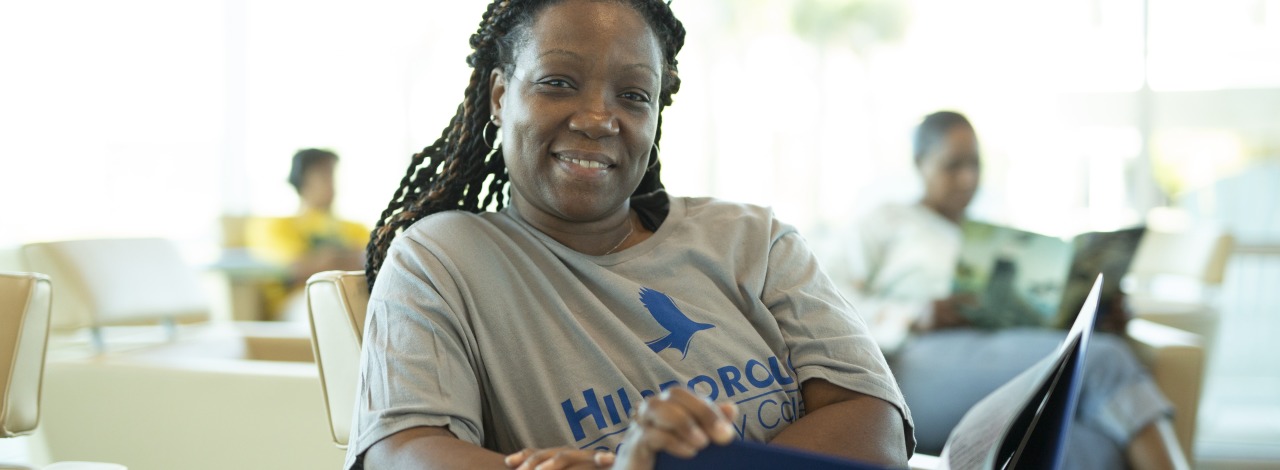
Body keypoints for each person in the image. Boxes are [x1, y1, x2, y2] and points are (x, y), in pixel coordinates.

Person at [349, 1, 915, 469]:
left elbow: (875, 427)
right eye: (558, 82)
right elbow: (403, 452)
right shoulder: (442, 258)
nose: (597, 118)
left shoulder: (753, 240)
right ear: (500, 97)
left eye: (633, 95)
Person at [826, 111, 1190, 470]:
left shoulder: (988, 236)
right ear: (921, 163)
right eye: (953, 165)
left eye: (975, 164)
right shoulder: (885, 221)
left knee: (1086, 442)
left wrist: (1095, 310)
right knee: (1103, 360)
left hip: (996, 350)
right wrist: (913, 315)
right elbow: (830, 303)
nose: (968, 178)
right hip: (915, 362)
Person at [247, 148, 367, 320]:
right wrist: (348, 257)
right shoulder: (276, 226)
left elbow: (373, 261)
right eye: (324, 175)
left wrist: (328, 259)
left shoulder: (355, 227)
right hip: (298, 301)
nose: (332, 183)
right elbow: (297, 269)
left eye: (333, 175)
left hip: (352, 295)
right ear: (302, 180)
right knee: (332, 309)